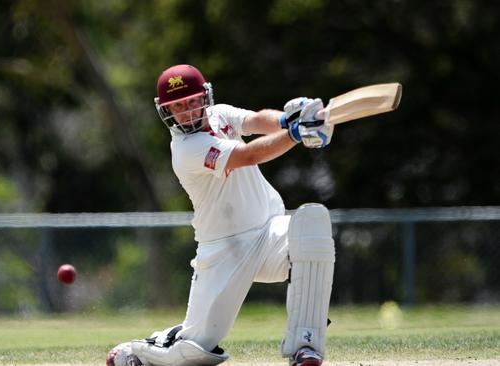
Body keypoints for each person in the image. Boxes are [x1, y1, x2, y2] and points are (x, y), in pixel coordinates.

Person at [106, 64, 335, 366]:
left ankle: (305, 346)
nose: (187, 112)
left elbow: (255, 120)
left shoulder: (220, 115)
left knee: (313, 224)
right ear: (167, 111)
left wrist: (286, 118)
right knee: (195, 352)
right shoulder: (187, 149)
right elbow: (248, 155)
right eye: (178, 106)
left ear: (205, 98)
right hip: (224, 251)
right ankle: (142, 351)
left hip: (269, 233)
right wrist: (294, 133)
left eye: (192, 102)